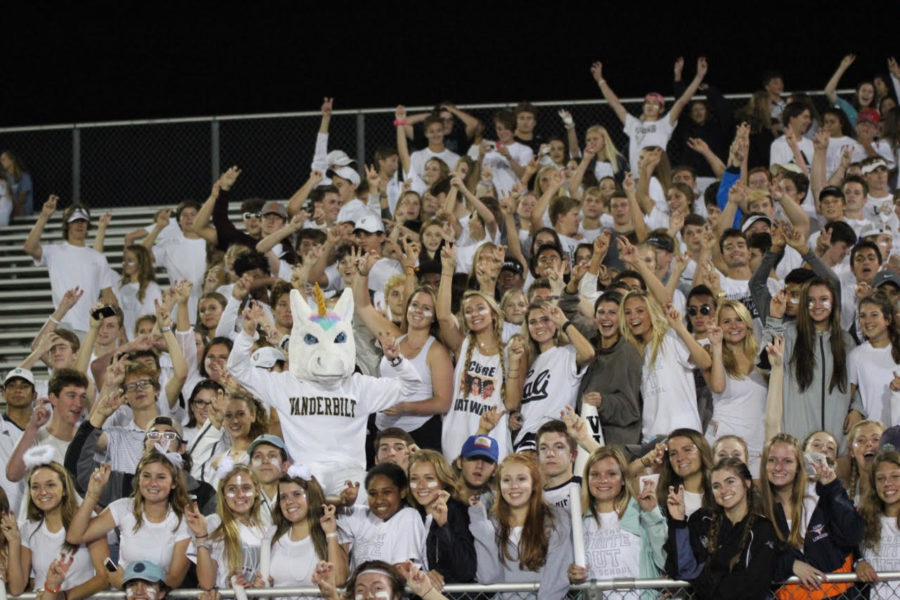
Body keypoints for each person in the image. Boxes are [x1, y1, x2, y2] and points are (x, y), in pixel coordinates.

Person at [226, 289, 422, 499]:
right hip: (304, 475)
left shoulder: (359, 386)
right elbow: (237, 368)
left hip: (350, 473)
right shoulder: (286, 385)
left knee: (366, 501)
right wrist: (247, 336)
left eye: (338, 339)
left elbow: (411, 385)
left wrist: (396, 359)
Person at [352, 259, 452, 451]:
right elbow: (363, 306)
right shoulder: (394, 336)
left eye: (426, 308)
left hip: (419, 433)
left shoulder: (437, 351)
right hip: (383, 431)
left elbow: (443, 402)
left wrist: (405, 407)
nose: (418, 311)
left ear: (434, 316)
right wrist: (363, 275)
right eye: (415, 305)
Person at [437, 244, 522, 462]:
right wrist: (447, 270)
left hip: (494, 437)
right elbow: (444, 317)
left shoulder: (510, 350)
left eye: (480, 309)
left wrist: (513, 362)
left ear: (494, 314)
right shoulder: (463, 345)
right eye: (468, 311)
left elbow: (512, 403)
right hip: (457, 435)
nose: (474, 314)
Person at [66, 449, 192, 589]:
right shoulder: (123, 507)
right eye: (146, 476)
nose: (153, 483)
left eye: (161, 477)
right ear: (138, 480)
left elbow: (174, 579)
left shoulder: (183, 521)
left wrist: (139, 591)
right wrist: (92, 495)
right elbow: (74, 536)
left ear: (173, 483)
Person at [760, 433, 864, 599]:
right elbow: (754, 562)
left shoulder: (822, 494)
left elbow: (853, 535)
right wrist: (791, 564)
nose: (779, 467)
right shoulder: (759, 508)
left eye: (787, 461)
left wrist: (832, 487)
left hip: (839, 595)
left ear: (799, 464)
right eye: (772, 460)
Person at [664, 457, 777, 600]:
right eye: (716, 486)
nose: (724, 490)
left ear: (747, 483)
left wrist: (704, 583)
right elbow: (683, 569)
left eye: (730, 481)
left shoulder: (762, 528)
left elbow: (754, 584)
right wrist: (678, 521)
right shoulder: (701, 520)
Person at [2, 454, 108, 600]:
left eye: (50, 485)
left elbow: (104, 577)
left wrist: (63, 596)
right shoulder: (27, 528)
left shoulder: (88, 521)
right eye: (35, 487)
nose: (43, 492)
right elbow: (16, 588)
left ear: (64, 490)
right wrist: (14, 542)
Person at [467, 453, 572, 600]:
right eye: (506, 480)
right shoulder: (493, 523)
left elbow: (557, 578)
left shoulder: (557, 519)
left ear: (534, 483)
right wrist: (479, 521)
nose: (514, 486)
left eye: (521, 479)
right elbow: (488, 577)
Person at [766, 278, 857, 445]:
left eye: (823, 299)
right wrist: (774, 319)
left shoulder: (847, 342)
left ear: (834, 302)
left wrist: (857, 409)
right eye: (810, 300)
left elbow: (857, 383)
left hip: (835, 445)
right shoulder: (788, 333)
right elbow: (765, 362)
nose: (817, 305)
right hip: (797, 443)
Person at [567, 446, 667, 597]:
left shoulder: (641, 511)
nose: (603, 480)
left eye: (611, 474)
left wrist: (652, 514)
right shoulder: (578, 521)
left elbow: (665, 560)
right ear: (587, 480)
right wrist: (572, 574)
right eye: (595, 474)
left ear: (622, 480)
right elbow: (570, 572)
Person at [619, 290, 711, 441]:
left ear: (651, 312)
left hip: (684, 433)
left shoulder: (670, 338)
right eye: (628, 312)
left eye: (640, 311)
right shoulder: (633, 353)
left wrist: (680, 328)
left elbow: (705, 362)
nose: (633, 317)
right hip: (652, 438)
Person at [591, 57, 708, 172]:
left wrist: (699, 77)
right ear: (643, 107)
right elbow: (615, 103)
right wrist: (600, 80)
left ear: (661, 109)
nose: (650, 106)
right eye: (647, 103)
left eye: (655, 103)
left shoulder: (665, 124)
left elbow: (682, 101)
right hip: (636, 179)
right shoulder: (634, 124)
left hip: (656, 175)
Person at [23, 197, 118, 336]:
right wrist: (44, 216)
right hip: (62, 326)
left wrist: (106, 324)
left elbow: (109, 298)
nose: (79, 225)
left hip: (90, 329)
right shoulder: (54, 251)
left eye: (83, 221)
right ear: (67, 225)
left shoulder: (98, 257)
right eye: (75, 221)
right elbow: (29, 247)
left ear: (87, 225)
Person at [513, 301, 594, 451]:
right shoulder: (531, 362)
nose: (539, 326)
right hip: (524, 435)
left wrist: (564, 322)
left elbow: (588, 353)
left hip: (552, 434)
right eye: (533, 322)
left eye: (545, 319)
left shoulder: (567, 353)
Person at [702, 300, 767, 473]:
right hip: (724, 445)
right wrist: (716, 345)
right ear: (719, 326)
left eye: (739, 319)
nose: (734, 326)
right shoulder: (712, 354)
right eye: (727, 321)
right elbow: (717, 387)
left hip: (757, 443)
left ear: (747, 323)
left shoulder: (762, 356)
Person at [186, 462, 268, 590]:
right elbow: (207, 583)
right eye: (232, 489)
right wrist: (201, 536)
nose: (240, 494)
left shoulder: (265, 531)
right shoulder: (214, 524)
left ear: (257, 491)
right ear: (223, 494)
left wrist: (256, 587)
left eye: (246, 488)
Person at [265, 465, 349, 589]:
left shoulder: (333, 533)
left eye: (297, 494)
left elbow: (338, 581)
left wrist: (331, 534)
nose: (289, 501)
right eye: (283, 497)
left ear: (311, 497)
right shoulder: (272, 537)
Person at [337, 462, 427, 570]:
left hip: (387, 586)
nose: (379, 500)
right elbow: (322, 508)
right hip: (360, 586)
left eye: (387, 492)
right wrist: (342, 501)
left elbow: (402, 570)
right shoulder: (361, 514)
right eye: (373, 494)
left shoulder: (409, 516)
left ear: (402, 492)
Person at [407, 449, 477, 583]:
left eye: (429, 478)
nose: (421, 486)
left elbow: (466, 569)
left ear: (443, 481)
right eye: (414, 479)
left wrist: (443, 526)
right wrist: (423, 576)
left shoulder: (459, 512)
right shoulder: (411, 515)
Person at [849, 291, 900, 425]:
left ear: (888, 319)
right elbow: (847, 397)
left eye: (874, 315)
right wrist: (855, 411)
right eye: (863, 316)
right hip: (873, 437)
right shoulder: (855, 355)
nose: (868, 321)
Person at [857, 448, 900, 599]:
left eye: (895, 476)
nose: (888, 483)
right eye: (881, 479)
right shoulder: (863, 520)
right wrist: (858, 563)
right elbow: (851, 553)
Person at [656, 428, 715, 519]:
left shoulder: (720, 492)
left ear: (702, 451)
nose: (680, 458)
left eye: (687, 450)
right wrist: (646, 461)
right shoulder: (660, 491)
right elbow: (629, 476)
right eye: (673, 454)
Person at [115, 245, 163, 340]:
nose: (125, 264)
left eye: (130, 260)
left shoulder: (152, 288)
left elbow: (153, 318)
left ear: (140, 263)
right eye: (124, 260)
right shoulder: (121, 287)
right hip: (124, 340)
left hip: (144, 340)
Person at [1, 150, 33, 216]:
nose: (1, 162)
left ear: (11, 160)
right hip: (9, 208)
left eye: (3, 159)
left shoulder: (24, 177)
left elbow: (22, 199)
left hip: (23, 209)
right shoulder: (5, 178)